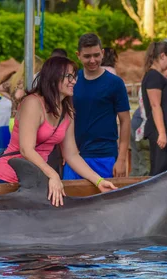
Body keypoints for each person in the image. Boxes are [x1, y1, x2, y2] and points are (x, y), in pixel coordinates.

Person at [0, 56, 117, 207]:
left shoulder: (67, 111)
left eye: (74, 76)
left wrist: (99, 181)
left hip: (36, 179)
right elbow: (26, 149)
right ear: (53, 77)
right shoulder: (32, 103)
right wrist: (52, 174)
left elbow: (72, 154)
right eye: (69, 76)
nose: (74, 81)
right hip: (7, 178)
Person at [63, 33, 131, 180]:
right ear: (78, 55)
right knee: (72, 201)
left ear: (102, 53)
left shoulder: (115, 83)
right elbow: (64, 117)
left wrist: (121, 159)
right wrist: (62, 150)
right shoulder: (71, 81)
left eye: (96, 55)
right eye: (87, 56)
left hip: (105, 156)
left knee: (106, 201)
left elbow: (125, 120)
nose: (92, 60)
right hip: (75, 155)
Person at [141, 41, 167, 175]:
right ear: (162, 56)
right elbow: (155, 105)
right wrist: (162, 133)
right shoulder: (153, 76)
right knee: (159, 171)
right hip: (161, 129)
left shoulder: (159, 77)